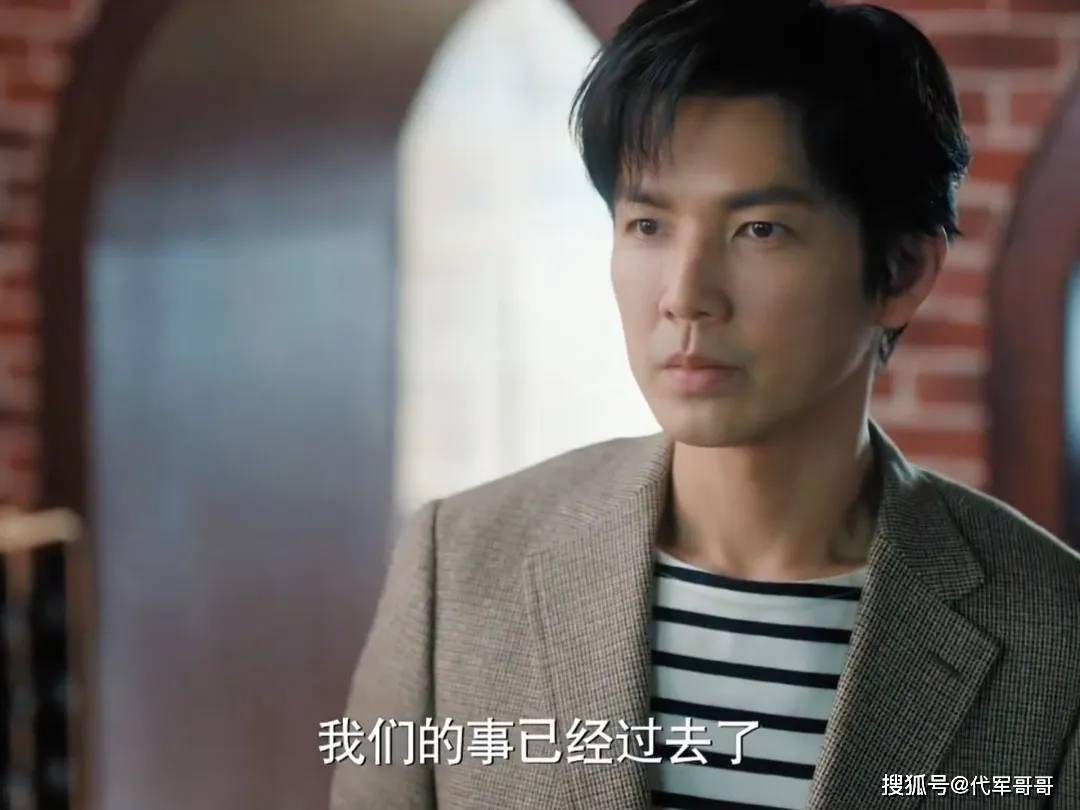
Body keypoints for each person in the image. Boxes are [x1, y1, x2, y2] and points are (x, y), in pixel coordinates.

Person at [329, 1, 1080, 807]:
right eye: (648, 225)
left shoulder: (1054, 631)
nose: (685, 295)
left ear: (900, 272)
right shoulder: (461, 562)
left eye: (759, 229)